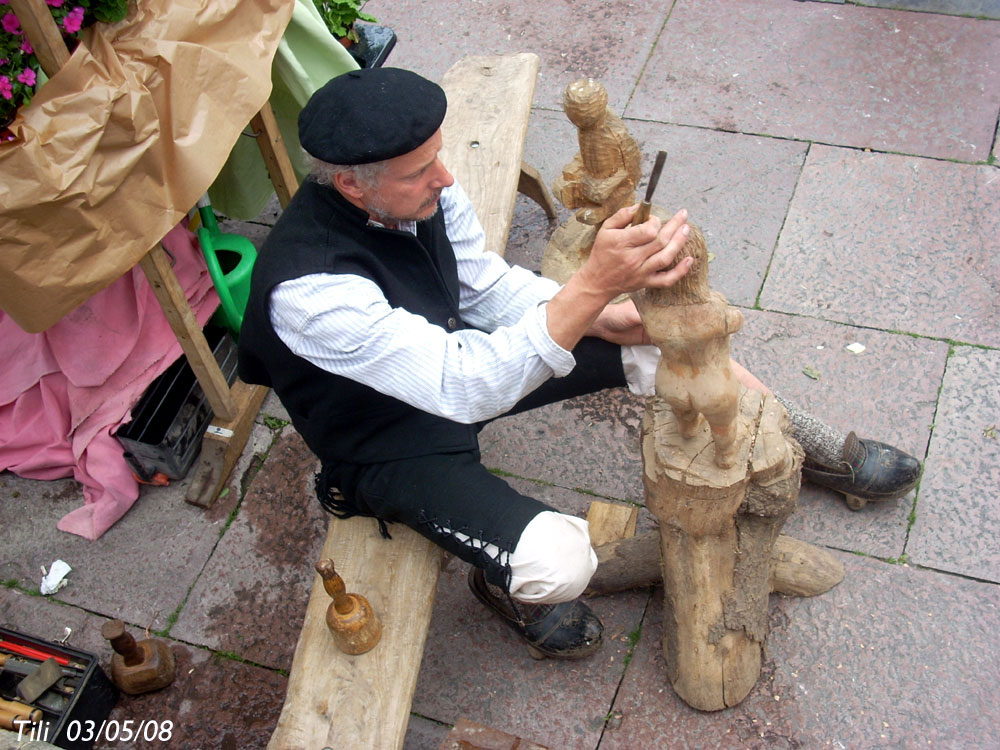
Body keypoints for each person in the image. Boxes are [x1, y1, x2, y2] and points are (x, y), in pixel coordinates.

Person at [237, 67, 920, 661]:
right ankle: (505, 585)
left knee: (660, 343)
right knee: (561, 563)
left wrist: (599, 316)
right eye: (421, 171)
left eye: (438, 157)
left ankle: (804, 442)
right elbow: (463, 385)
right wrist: (591, 286)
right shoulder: (310, 291)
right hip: (387, 441)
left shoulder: (422, 194)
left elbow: (482, 288)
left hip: (462, 360)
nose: (444, 177)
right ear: (353, 186)